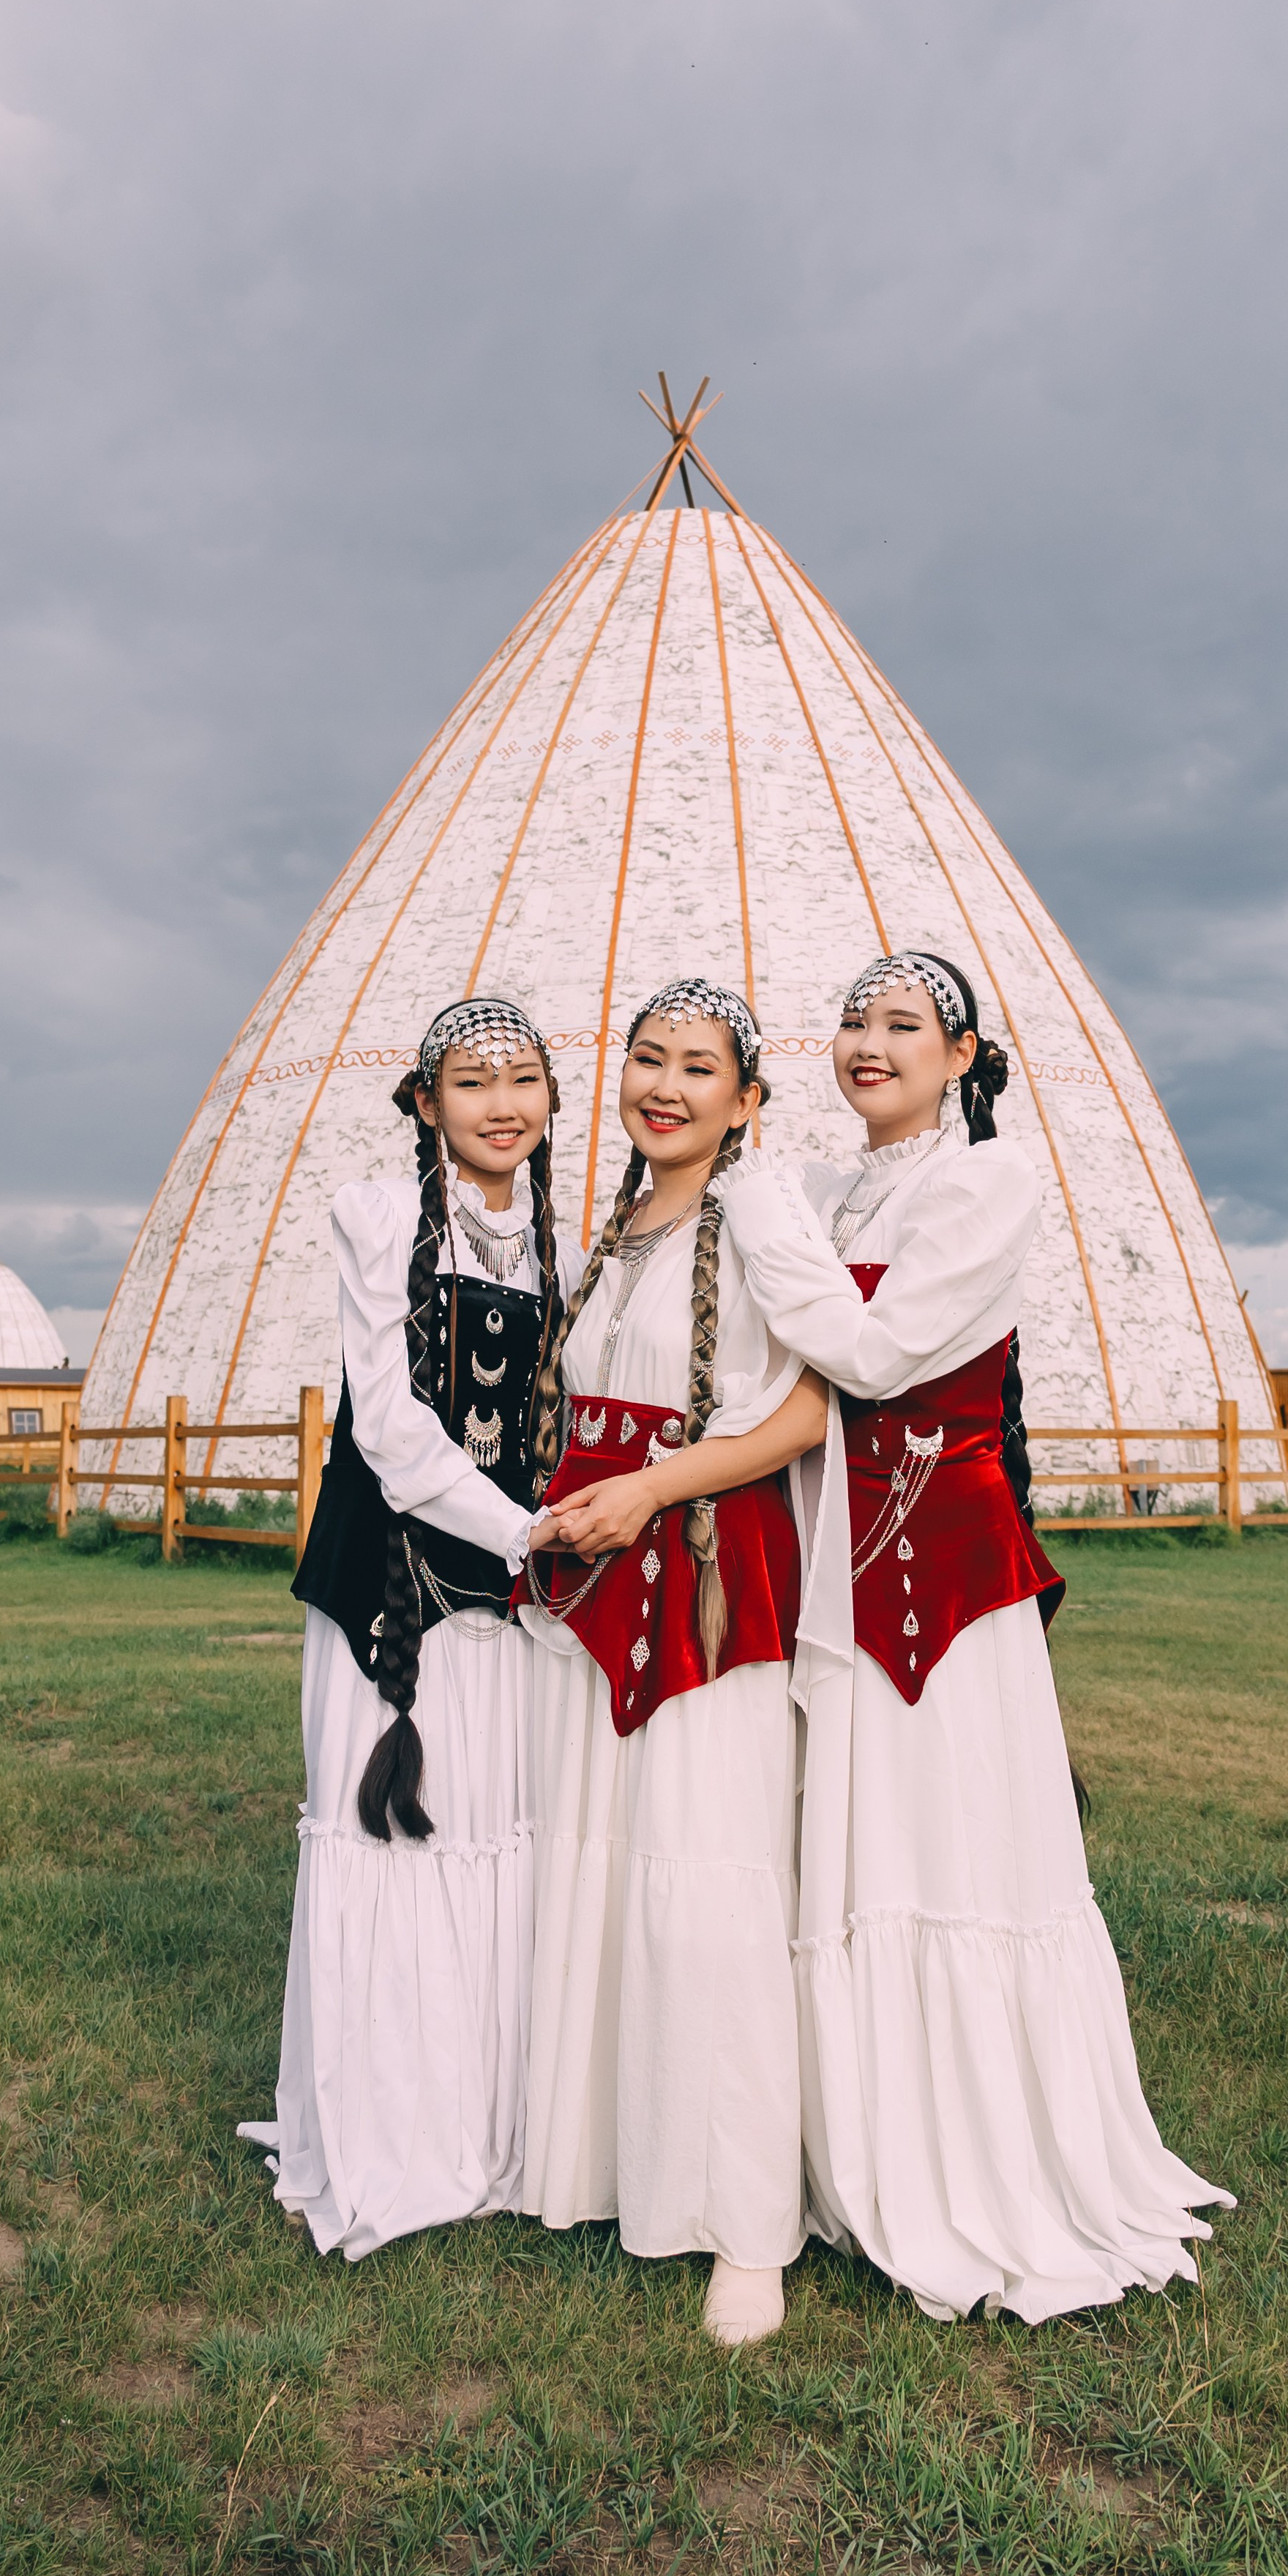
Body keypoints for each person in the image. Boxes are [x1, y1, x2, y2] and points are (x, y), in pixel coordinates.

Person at [714, 950, 1232, 2324]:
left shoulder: (985, 1185)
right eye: (851, 1022)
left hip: (940, 1567)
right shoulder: (824, 1190)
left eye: (903, 1026)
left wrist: (755, 1203)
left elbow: (877, 1360)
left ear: (959, 1059)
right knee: (843, 1842)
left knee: (944, 1840)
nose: (868, 1043)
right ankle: (847, 2149)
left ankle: (975, 2160)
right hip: (829, 1562)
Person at [515, 978, 828, 2347]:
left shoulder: (761, 1211)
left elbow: (814, 1405)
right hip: (595, 1562)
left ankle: (745, 2223)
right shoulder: (622, 1222)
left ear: (747, 1100)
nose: (668, 1085)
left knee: (705, 1882)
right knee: (599, 1857)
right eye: (649, 1058)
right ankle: (607, 2165)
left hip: (702, 1560)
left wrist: (656, 1488)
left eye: (702, 1067)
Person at [239, 996, 577, 2257]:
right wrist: (522, 1535)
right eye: (473, 1079)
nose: (502, 1102)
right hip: (396, 1585)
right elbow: (385, 1428)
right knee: (391, 1846)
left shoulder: (562, 1247)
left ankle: (489, 2125)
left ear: (550, 1100)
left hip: (510, 1601)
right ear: (426, 1102)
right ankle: (387, 2132)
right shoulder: (377, 1219)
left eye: (526, 1078)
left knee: (496, 1835)